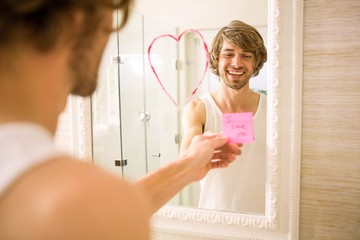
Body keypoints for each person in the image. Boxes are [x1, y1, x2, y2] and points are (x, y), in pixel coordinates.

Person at [0, 1, 242, 239]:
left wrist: (187, 166)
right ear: (80, 18)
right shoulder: (70, 204)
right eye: (111, 20)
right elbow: (101, 213)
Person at [180, 20, 267, 214]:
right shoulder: (198, 109)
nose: (236, 63)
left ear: (256, 63)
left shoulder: (273, 109)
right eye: (228, 54)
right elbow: (183, 167)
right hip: (214, 221)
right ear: (216, 59)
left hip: (265, 222)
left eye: (246, 56)